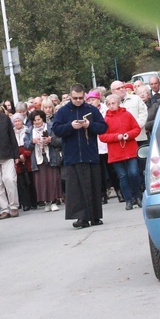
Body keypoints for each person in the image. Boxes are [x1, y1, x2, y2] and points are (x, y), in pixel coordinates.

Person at [52, 83, 108, 229]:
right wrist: (71, 126)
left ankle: (95, 216)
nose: (78, 100)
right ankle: (82, 217)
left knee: (93, 186)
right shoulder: (63, 111)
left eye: (80, 98)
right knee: (76, 190)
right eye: (75, 98)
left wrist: (89, 125)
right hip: (72, 155)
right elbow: (56, 130)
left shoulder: (91, 109)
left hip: (90, 153)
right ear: (70, 96)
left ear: (84, 96)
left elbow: (103, 127)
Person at [99, 94, 143, 210]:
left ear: (118, 103)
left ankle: (138, 196)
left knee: (133, 173)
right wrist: (116, 137)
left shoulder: (127, 115)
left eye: (113, 103)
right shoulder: (106, 119)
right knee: (123, 176)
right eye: (109, 104)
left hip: (130, 149)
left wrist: (128, 135)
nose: (111, 106)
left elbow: (136, 129)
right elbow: (102, 137)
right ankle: (128, 200)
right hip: (116, 152)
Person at [25, 110, 63, 212]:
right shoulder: (29, 131)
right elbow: (26, 146)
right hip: (38, 158)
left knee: (53, 179)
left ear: (43, 119)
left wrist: (50, 140)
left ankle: (55, 201)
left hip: (51, 156)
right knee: (41, 181)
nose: (37, 122)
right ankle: (47, 202)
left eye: (39, 119)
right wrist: (32, 141)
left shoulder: (51, 127)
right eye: (34, 120)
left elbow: (60, 140)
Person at [12, 113, 37, 211]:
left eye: (19, 120)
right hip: (17, 157)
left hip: (28, 156)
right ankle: (25, 203)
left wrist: (25, 155)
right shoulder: (11, 132)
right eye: (15, 121)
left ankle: (34, 201)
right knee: (21, 182)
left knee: (31, 181)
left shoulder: (27, 130)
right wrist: (17, 156)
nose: (17, 123)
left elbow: (29, 144)